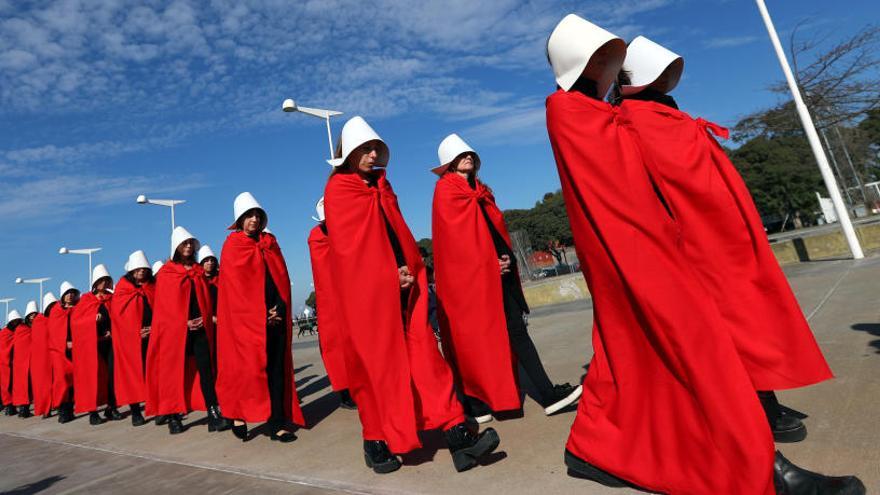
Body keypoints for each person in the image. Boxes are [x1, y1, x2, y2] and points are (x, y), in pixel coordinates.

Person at [544, 14, 863, 495]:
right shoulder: (569, 110)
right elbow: (612, 195)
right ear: (581, 63)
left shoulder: (601, 112)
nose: (613, 61)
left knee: (631, 357)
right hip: (635, 255)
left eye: (612, 53)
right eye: (601, 55)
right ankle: (761, 468)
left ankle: (594, 444)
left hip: (655, 249)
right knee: (700, 352)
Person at [615, 35, 833, 443]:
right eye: (659, 71)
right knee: (732, 324)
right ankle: (759, 407)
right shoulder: (630, 119)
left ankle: (762, 399)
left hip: (724, 231)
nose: (667, 78)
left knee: (751, 315)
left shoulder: (664, 111)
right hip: (694, 241)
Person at [324, 116, 500, 474]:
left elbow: (397, 234)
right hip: (369, 299)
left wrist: (408, 270)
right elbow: (349, 253)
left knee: (428, 362)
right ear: (348, 154)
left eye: (376, 148)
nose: (372, 154)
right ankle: (375, 441)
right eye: (364, 149)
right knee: (377, 371)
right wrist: (387, 275)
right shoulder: (339, 190)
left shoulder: (384, 188)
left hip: (407, 292)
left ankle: (458, 436)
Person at [431, 133, 582, 423]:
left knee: (515, 333)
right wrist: (486, 265)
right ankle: (479, 402)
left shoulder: (483, 192)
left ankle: (548, 394)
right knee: (474, 341)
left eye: (470, 154)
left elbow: (494, 234)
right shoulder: (446, 193)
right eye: (461, 155)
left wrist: (504, 260)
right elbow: (453, 246)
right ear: (449, 163)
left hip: (500, 279)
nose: (468, 157)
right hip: (472, 283)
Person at [216, 192, 305, 442]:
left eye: (257, 215)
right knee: (246, 372)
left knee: (276, 371)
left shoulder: (270, 243)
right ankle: (238, 414)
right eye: (248, 216)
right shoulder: (232, 247)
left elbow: (280, 280)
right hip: (247, 325)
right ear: (239, 220)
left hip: (274, 320)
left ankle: (276, 423)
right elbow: (235, 292)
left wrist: (278, 307)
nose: (254, 219)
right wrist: (259, 314)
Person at [145, 226, 231, 434]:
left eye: (191, 243)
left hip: (200, 329)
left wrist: (205, 317)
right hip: (176, 333)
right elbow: (164, 310)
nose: (189, 246)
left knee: (206, 371)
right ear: (177, 247)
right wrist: (183, 324)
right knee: (173, 373)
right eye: (185, 243)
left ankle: (213, 412)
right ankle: (174, 416)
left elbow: (205, 300)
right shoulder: (166, 275)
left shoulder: (198, 272)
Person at [307, 196, 355, 409]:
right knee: (336, 348)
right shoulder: (317, 237)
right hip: (330, 301)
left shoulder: (346, 230)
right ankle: (345, 392)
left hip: (349, 295)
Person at [71, 264, 120, 425]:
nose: (104, 284)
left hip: (110, 343)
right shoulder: (85, 301)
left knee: (113, 375)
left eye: (107, 280)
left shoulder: (112, 299)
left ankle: (111, 407)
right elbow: (76, 322)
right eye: (101, 281)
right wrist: (92, 319)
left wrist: (114, 331)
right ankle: (93, 412)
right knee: (92, 377)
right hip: (92, 345)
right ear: (95, 283)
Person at [111, 250, 155, 427]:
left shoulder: (152, 287)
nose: (141, 272)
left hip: (153, 336)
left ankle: (158, 408)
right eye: (138, 269)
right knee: (132, 376)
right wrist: (135, 333)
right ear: (131, 271)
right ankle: (136, 411)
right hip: (130, 342)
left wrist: (154, 329)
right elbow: (119, 318)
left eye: (144, 269)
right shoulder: (122, 291)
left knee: (153, 372)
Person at [49, 282, 78, 423]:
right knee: (61, 381)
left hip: (77, 349)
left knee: (74, 381)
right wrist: (64, 344)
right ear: (62, 296)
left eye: (72, 292)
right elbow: (53, 333)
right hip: (59, 352)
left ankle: (70, 409)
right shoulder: (56, 311)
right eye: (67, 293)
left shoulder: (79, 309)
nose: (70, 295)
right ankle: (62, 410)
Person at [30, 292, 58, 418]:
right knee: (44, 383)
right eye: (50, 306)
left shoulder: (57, 316)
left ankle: (58, 404)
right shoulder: (39, 321)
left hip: (56, 352)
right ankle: (46, 408)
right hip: (43, 357)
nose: (53, 308)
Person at [12, 301, 39, 417]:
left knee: (33, 384)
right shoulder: (21, 329)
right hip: (22, 362)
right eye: (31, 315)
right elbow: (20, 345)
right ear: (27, 316)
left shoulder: (38, 326)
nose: (33, 316)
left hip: (34, 361)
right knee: (23, 385)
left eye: (35, 314)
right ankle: (24, 409)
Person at [0, 310, 21, 416]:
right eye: (14, 321)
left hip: (16, 362)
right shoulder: (4, 333)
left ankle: (12, 406)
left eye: (17, 321)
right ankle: (9, 406)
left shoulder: (19, 331)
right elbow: (3, 348)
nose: (16, 323)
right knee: (5, 385)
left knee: (15, 385)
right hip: (4, 362)